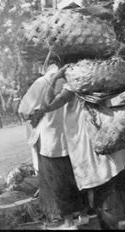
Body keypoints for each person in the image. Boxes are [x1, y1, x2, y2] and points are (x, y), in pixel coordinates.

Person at [31, 52, 125, 230]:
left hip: (87, 142)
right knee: (106, 185)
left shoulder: (75, 83)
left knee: (99, 190)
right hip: (106, 135)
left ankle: (105, 222)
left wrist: (56, 79)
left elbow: (48, 105)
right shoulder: (101, 77)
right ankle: (108, 220)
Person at [19, 58, 85, 230]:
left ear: (44, 65)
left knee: (58, 182)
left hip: (52, 139)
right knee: (76, 177)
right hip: (74, 137)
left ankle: (69, 222)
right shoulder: (75, 78)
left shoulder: (42, 82)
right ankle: (83, 214)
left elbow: (23, 110)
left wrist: (35, 115)